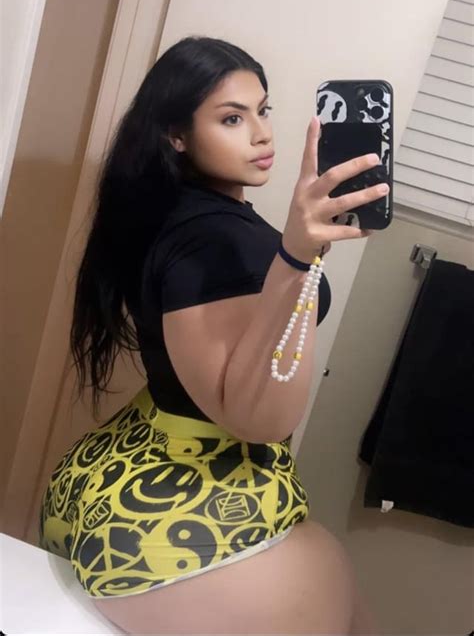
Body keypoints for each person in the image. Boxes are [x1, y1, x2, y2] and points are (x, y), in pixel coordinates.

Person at [38, 36, 383, 634]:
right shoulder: (215, 241)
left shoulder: (172, 209)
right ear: (177, 135)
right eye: (231, 118)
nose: (262, 135)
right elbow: (257, 420)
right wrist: (296, 257)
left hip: (122, 474)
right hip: (173, 516)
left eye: (263, 110)